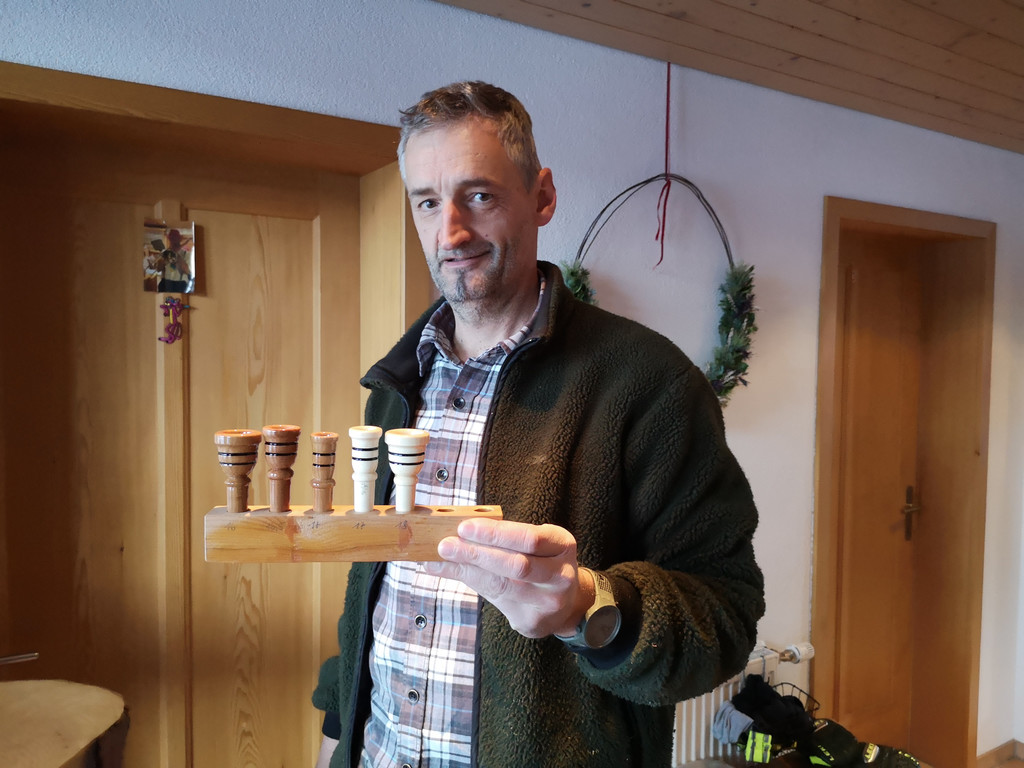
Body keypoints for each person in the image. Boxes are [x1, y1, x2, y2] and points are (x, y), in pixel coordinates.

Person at [313, 81, 764, 768]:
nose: (450, 233)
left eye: (479, 196)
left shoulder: (650, 385)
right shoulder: (395, 387)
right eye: (427, 202)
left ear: (543, 197)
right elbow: (370, 601)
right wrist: (335, 738)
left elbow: (725, 617)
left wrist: (587, 607)